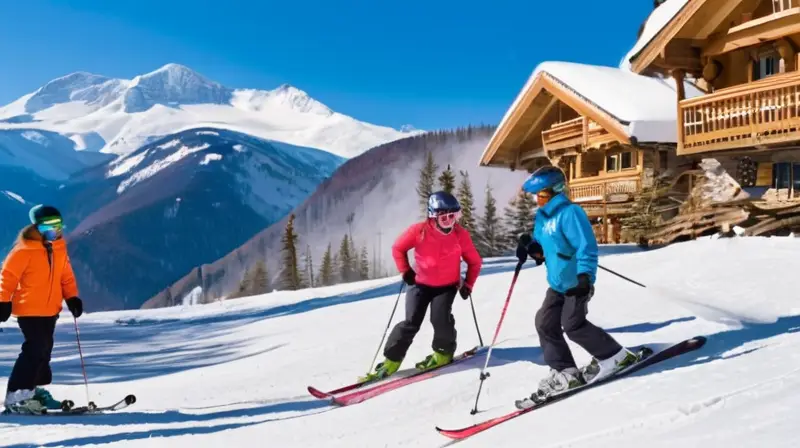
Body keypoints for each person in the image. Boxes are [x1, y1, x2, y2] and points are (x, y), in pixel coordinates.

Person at [513, 166, 637, 408]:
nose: (536, 199)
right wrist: (531, 247)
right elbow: (545, 246)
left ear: (553, 191)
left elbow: (586, 248)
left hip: (576, 283)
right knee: (544, 323)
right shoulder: (542, 216)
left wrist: (585, 277)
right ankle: (566, 371)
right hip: (557, 284)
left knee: (573, 324)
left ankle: (616, 357)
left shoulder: (571, 213)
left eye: (539, 194)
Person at [362, 191, 482, 381]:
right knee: (410, 323)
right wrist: (406, 270)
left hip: (446, 286)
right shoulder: (419, 231)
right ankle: (391, 361)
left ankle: (443, 354)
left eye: (454, 217)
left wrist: (468, 284)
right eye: (444, 219)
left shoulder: (460, 235)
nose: (450, 223)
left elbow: (475, 262)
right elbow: (398, 248)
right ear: (433, 216)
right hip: (419, 284)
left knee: (440, 319)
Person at [1, 205, 83, 414]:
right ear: (36, 227)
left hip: (50, 310)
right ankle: (17, 396)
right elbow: (7, 277)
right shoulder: (23, 251)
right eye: (48, 226)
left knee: (44, 351)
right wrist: (3, 301)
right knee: (34, 349)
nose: (54, 230)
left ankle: (32, 391)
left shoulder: (59, 248)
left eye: (58, 226)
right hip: (28, 309)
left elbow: (66, 276)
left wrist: (71, 297)